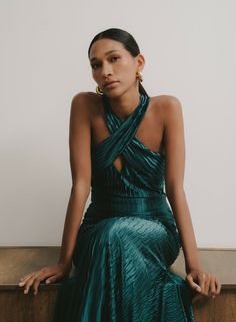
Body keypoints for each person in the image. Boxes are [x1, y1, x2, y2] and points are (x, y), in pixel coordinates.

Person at [18, 28, 221, 321]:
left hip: (155, 229)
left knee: (116, 236)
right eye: (96, 64)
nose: (105, 71)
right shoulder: (84, 106)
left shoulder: (167, 108)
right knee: (111, 235)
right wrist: (64, 263)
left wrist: (194, 266)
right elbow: (80, 186)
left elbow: (176, 189)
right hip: (97, 229)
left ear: (139, 63)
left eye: (114, 59)